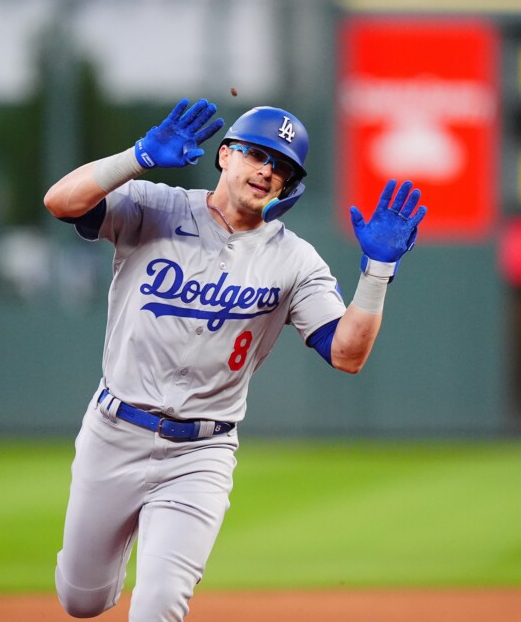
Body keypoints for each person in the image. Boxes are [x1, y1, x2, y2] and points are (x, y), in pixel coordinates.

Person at [44, 98, 426, 621]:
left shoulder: (295, 260)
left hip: (199, 454)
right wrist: (136, 156)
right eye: (257, 154)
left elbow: (347, 353)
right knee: (80, 600)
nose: (268, 170)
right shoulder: (155, 206)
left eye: (282, 167)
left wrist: (377, 272)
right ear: (224, 155)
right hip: (114, 432)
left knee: (159, 604)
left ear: (289, 185)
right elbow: (60, 202)